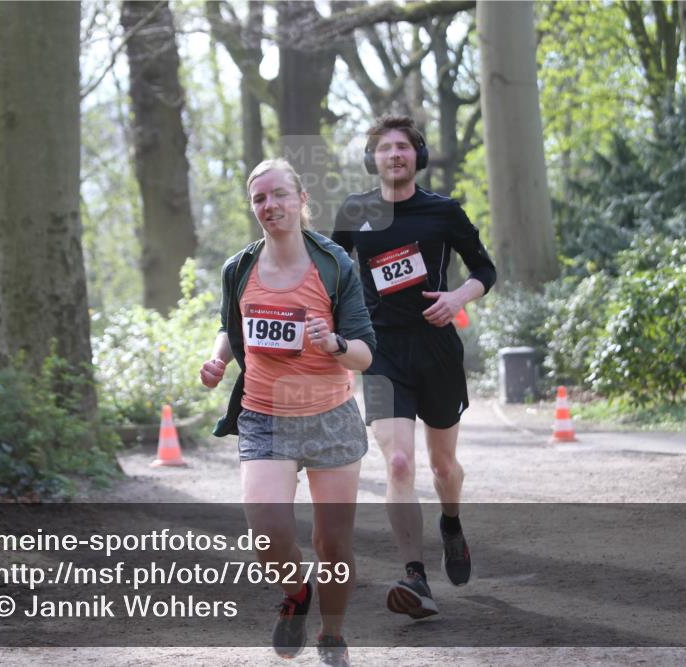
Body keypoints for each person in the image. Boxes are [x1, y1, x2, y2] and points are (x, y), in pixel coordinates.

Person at [200, 158, 376, 666]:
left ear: (301, 200)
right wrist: (217, 359)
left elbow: (366, 353)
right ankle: (296, 593)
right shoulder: (239, 268)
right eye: (259, 199)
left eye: (279, 195)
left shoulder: (335, 264)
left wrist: (336, 343)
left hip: (330, 415)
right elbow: (233, 326)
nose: (269, 206)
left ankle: (333, 633)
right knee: (266, 527)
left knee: (333, 542)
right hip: (264, 414)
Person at [331, 115, 497, 619]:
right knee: (399, 463)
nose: (395, 155)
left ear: (417, 157)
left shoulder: (443, 211)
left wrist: (458, 295)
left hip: (437, 349)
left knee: (444, 466)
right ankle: (414, 577)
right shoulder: (355, 211)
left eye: (404, 147)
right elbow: (331, 277)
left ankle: (451, 522)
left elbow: (484, 269)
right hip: (380, 353)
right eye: (385, 148)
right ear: (372, 158)